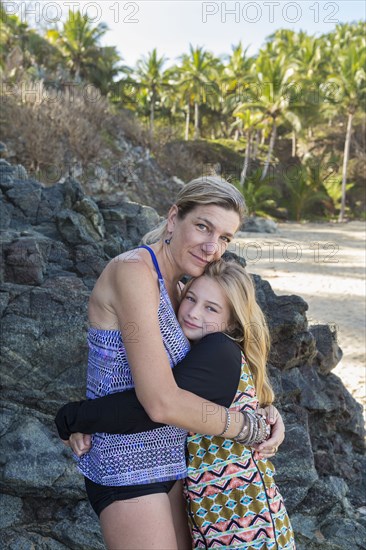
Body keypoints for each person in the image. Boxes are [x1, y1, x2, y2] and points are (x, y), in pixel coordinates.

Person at [56, 176, 286, 549]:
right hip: (125, 464)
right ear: (173, 217)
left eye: (225, 238)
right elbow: (160, 401)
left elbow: (213, 367)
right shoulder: (133, 271)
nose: (212, 247)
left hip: (176, 467)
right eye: (202, 226)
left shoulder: (184, 289)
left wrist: (266, 409)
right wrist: (249, 428)